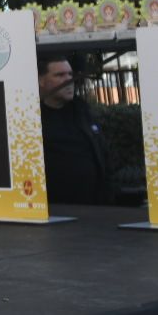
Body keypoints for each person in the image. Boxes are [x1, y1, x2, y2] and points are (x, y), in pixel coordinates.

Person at [36, 53, 113, 206]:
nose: (69, 80)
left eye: (70, 74)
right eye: (60, 75)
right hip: (53, 208)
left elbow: (103, 152)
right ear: (41, 80)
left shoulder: (82, 111)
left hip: (93, 206)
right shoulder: (32, 117)